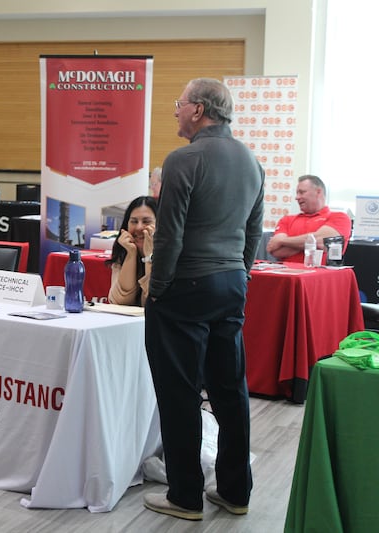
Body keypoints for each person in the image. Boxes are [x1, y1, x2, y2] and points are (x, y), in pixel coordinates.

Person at [144, 78, 264, 521]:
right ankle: (235, 491)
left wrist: (158, 289)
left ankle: (185, 496)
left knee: (179, 394)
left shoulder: (183, 159)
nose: (175, 111)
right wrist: (241, 273)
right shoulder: (252, 162)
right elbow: (254, 233)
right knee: (230, 391)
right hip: (232, 282)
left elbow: (170, 233)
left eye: (179, 105)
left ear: (198, 110)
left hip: (187, 286)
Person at [265, 175, 351, 263]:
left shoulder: (339, 217)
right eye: (297, 193)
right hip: (289, 275)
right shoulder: (287, 220)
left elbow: (321, 241)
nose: (297, 197)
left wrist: (282, 241)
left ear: (318, 192)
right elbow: (276, 251)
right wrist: (310, 243)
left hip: (320, 275)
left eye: (302, 192)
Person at [107, 196, 157, 306]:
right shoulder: (123, 250)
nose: (139, 227)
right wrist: (131, 253)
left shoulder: (171, 253)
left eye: (146, 221)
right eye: (134, 221)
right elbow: (119, 302)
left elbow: (152, 303)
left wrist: (150, 256)